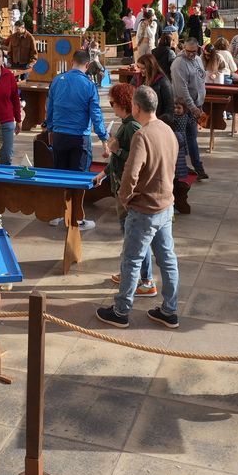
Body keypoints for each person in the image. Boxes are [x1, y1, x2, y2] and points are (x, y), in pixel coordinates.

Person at [96, 84, 181, 330]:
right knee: (167, 259)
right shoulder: (166, 129)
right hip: (165, 205)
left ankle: (121, 311)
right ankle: (169, 310)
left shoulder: (142, 135)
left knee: (131, 260)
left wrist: (125, 199)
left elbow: (130, 174)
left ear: (136, 107)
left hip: (144, 209)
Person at [103, 82, 157, 297]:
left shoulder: (133, 126)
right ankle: (128, 273)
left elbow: (136, 161)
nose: (111, 106)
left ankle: (146, 280)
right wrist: (105, 171)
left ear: (123, 104)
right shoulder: (126, 123)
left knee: (134, 238)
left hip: (128, 191)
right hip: (120, 185)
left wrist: (117, 150)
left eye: (112, 102)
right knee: (130, 238)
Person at [45, 48, 110, 173]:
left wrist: (50, 128)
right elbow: (96, 114)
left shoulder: (57, 80)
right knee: (79, 179)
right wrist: (103, 138)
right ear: (87, 65)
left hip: (59, 136)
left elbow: (50, 109)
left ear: (72, 62)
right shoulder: (89, 85)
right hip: (80, 138)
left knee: (60, 177)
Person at [168, 37, 208, 180]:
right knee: (182, 138)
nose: (191, 54)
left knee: (191, 137)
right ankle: (183, 167)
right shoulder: (179, 64)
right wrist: (192, 107)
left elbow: (201, 78)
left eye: (194, 51)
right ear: (184, 48)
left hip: (197, 103)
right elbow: (182, 89)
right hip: (184, 107)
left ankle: (197, 167)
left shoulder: (197, 59)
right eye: (188, 51)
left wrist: (200, 102)